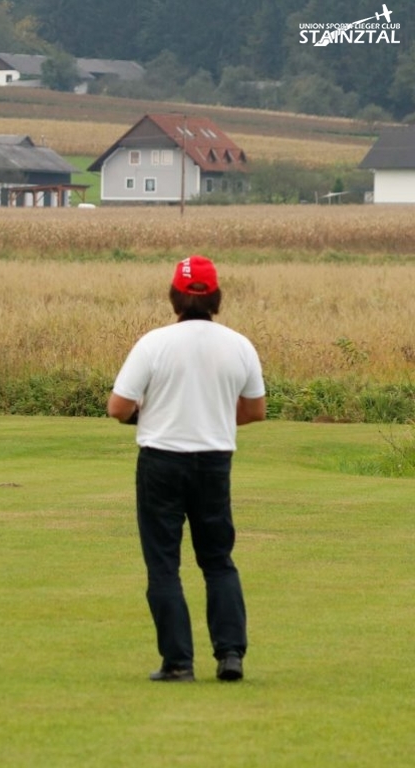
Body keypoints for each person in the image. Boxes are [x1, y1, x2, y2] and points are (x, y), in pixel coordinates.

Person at [107, 255, 266, 683]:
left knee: (164, 565)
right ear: (215, 297)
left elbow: (118, 407)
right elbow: (255, 410)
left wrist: (157, 414)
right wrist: (211, 414)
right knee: (218, 561)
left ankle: (178, 662)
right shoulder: (239, 345)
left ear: (175, 295)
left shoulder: (153, 344)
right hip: (214, 461)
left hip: (161, 458)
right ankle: (230, 654)